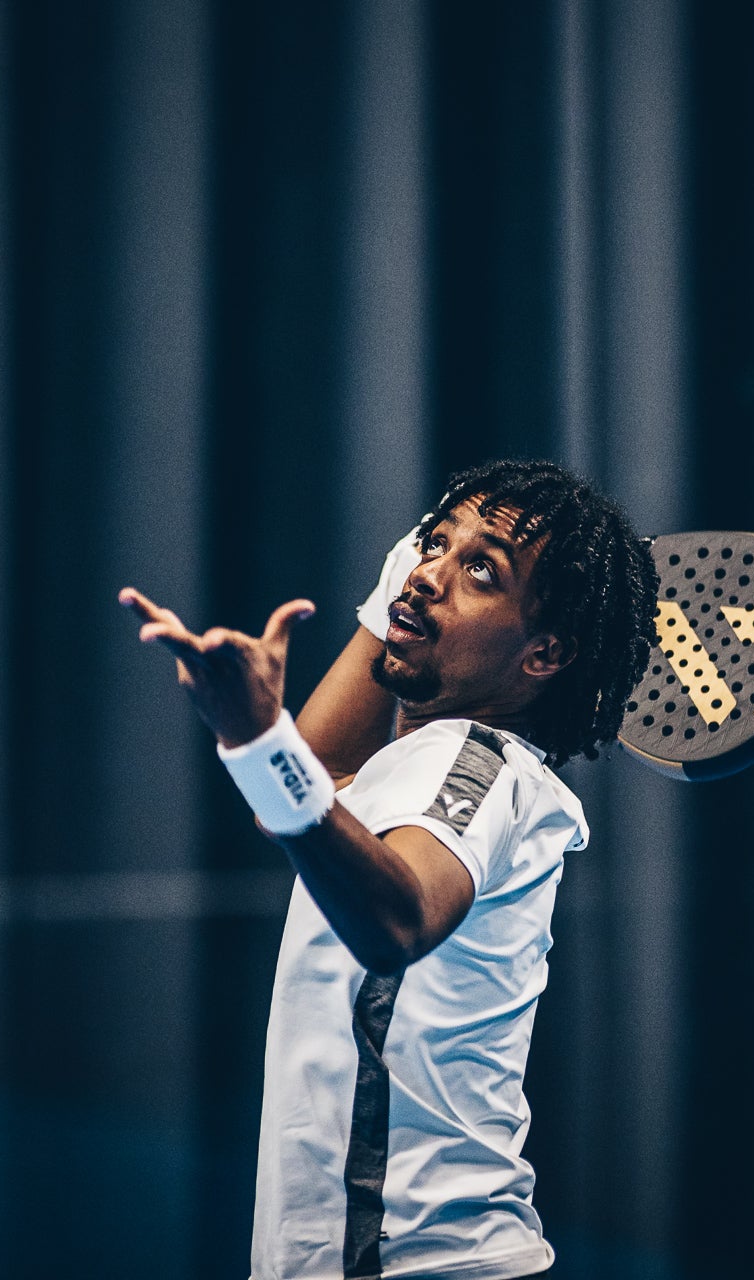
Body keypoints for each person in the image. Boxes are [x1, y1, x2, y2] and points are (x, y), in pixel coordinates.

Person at [119, 459, 659, 1280]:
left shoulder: (478, 764)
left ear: (544, 653)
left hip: (418, 1265)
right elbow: (309, 786)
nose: (432, 572)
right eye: (432, 545)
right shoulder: (411, 769)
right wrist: (400, 598)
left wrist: (263, 742)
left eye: (482, 571)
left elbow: (395, 919)